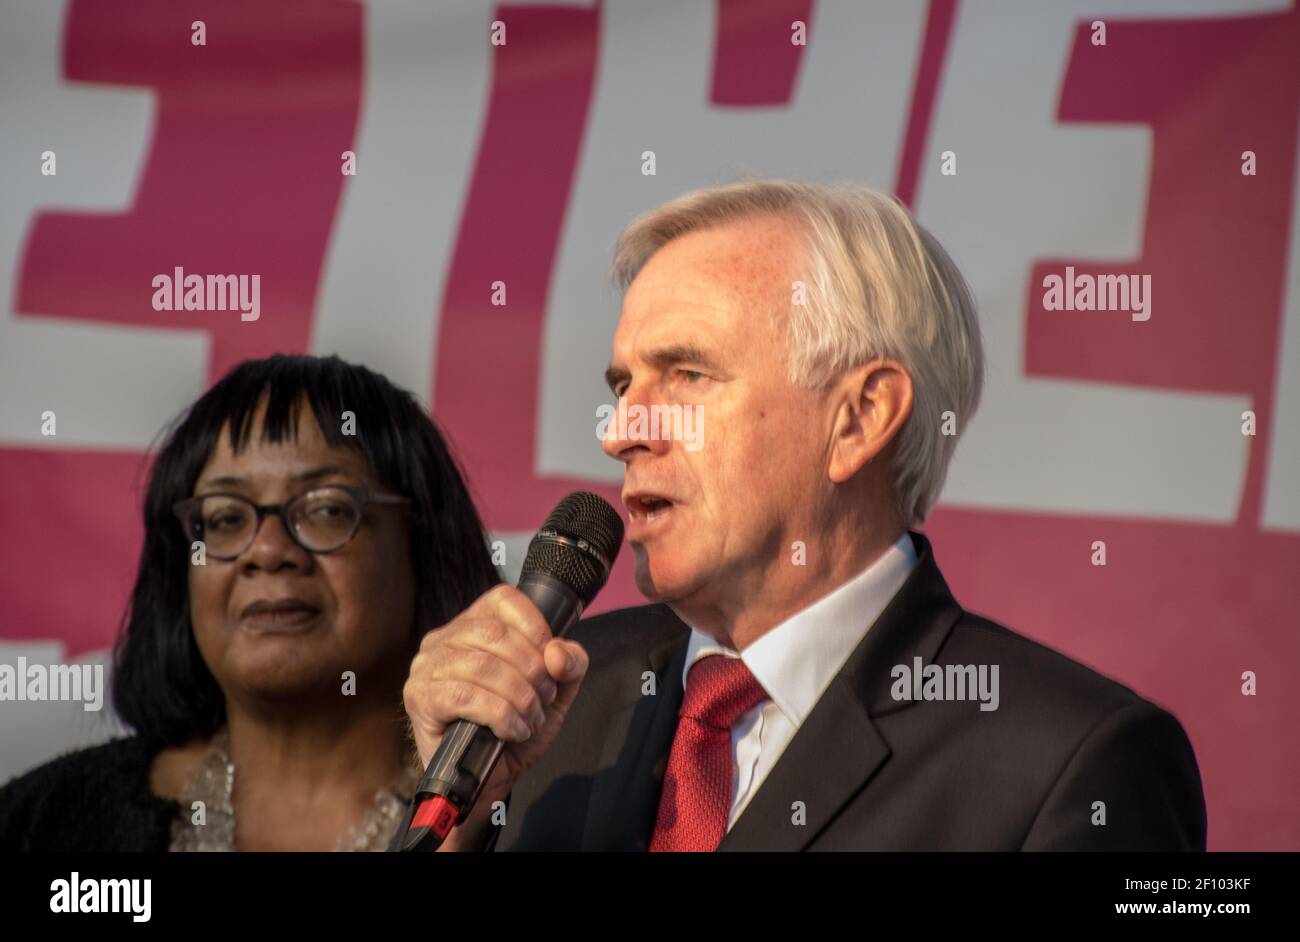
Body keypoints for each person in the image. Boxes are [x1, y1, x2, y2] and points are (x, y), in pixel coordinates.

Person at [401, 180, 1207, 851]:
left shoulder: (1071, 760)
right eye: (623, 387)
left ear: (858, 419)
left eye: (687, 374)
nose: (622, 432)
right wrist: (457, 816)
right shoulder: (544, 708)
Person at [0, 354, 499, 850]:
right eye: (224, 519)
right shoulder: (44, 823)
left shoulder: (525, 811)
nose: (267, 550)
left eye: (325, 509)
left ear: (423, 544)